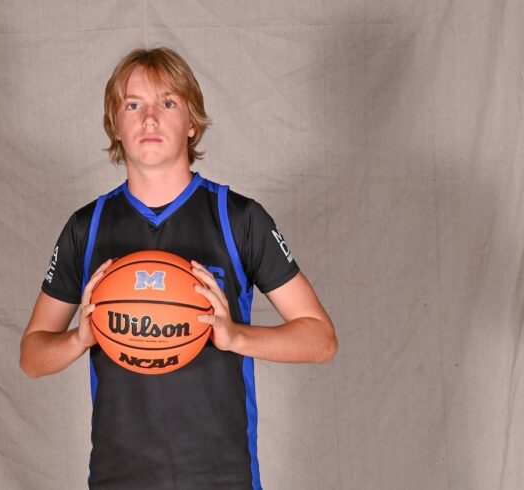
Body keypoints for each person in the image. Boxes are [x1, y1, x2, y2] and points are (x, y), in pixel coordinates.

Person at [19, 46, 337, 490]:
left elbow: (320, 339)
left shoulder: (238, 218)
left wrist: (236, 336)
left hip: (221, 476)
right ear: (116, 124)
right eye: (133, 105)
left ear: (191, 123)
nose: (150, 119)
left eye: (167, 103)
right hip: (119, 477)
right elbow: (32, 355)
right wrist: (81, 337)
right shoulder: (86, 227)